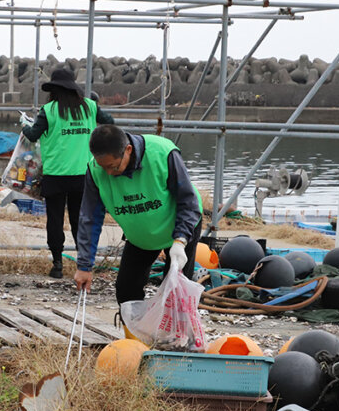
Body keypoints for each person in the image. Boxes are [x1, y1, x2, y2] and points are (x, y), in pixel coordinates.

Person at [73, 124, 203, 316]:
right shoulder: (96, 170)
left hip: (178, 229)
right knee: (126, 291)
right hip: (140, 235)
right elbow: (89, 217)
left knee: (175, 294)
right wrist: (84, 266)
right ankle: (134, 342)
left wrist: (181, 240)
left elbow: (188, 200)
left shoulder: (162, 153)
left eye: (113, 167)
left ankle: (174, 341)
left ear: (128, 150)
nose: (108, 173)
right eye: (103, 167)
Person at [21, 67, 114, 279]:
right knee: (79, 220)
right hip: (83, 174)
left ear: (53, 90)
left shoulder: (49, 110)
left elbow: (33, 135)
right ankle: (84, 264)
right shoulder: (90, 107)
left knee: (54, 220)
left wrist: (24, 126)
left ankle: (57, 265)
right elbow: (109, 121)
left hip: (55, 174)